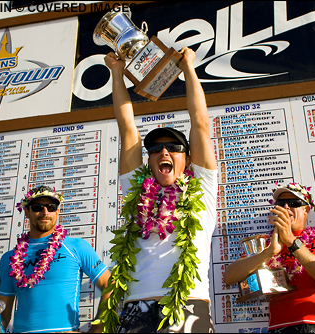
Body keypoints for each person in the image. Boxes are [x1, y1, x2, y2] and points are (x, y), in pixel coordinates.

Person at [98, 47, 217, 333]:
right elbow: (127, 129)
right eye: (155, 148)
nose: (164, 151)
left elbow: (199, 123)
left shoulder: (202, 187)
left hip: (187, 305)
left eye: (174, 147)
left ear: (187, 158)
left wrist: (188, 67)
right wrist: (116, 73)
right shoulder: (136, 191)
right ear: (149, 160)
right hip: (135, 307)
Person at [224, 182, 315, 333]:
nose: (287, 207)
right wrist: (269, 252)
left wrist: (291, 242)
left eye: (294, 203)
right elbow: (229, 277)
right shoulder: (266, 244)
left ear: (306, 209)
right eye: (281, 203)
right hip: (280, 327)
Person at [0, 185, 111, 333]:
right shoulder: (9, 259)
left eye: (51, 207)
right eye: (37, 207)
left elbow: (110, 284)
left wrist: (98, 328)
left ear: (57, 211)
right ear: (26, 212)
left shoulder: (77, 246)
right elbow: (3, 317)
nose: (45, 212)